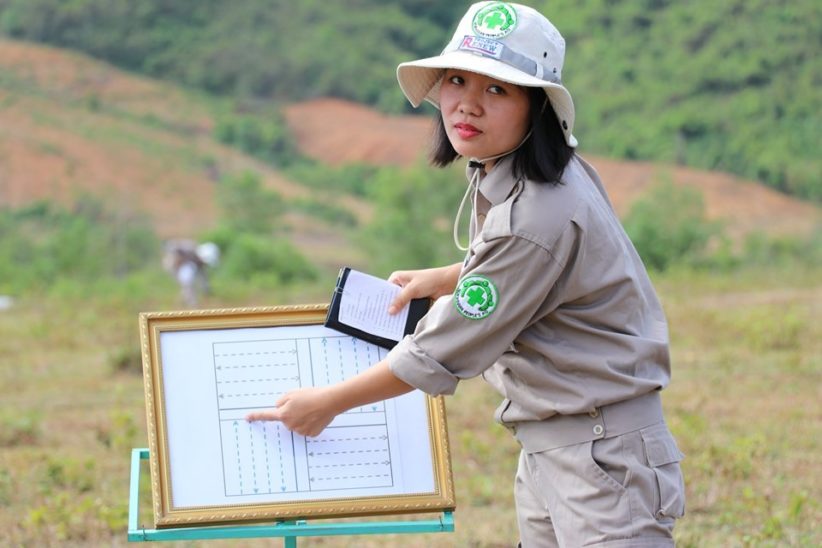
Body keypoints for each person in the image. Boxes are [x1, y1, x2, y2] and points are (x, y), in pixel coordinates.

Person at [247, 2, 686, 546]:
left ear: (536, 107)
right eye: (457, 80)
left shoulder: (533, 215)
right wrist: (447, 275)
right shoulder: (543, 176)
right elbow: (539, 270)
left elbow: (440, 348)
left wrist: (327, 404)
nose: (468, 105)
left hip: (601, 454)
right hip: (559, 445)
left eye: (497, 90)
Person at [162, 239, 219, 307]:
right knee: (187, 284)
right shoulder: (189, 249)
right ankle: (191, 303)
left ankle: (186, 300)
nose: (204, 264)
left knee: (188, 283)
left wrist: (206, 289)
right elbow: (171, 247)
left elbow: (203, 275)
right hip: (173, 265)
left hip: (183, 265)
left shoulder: (198, 261)